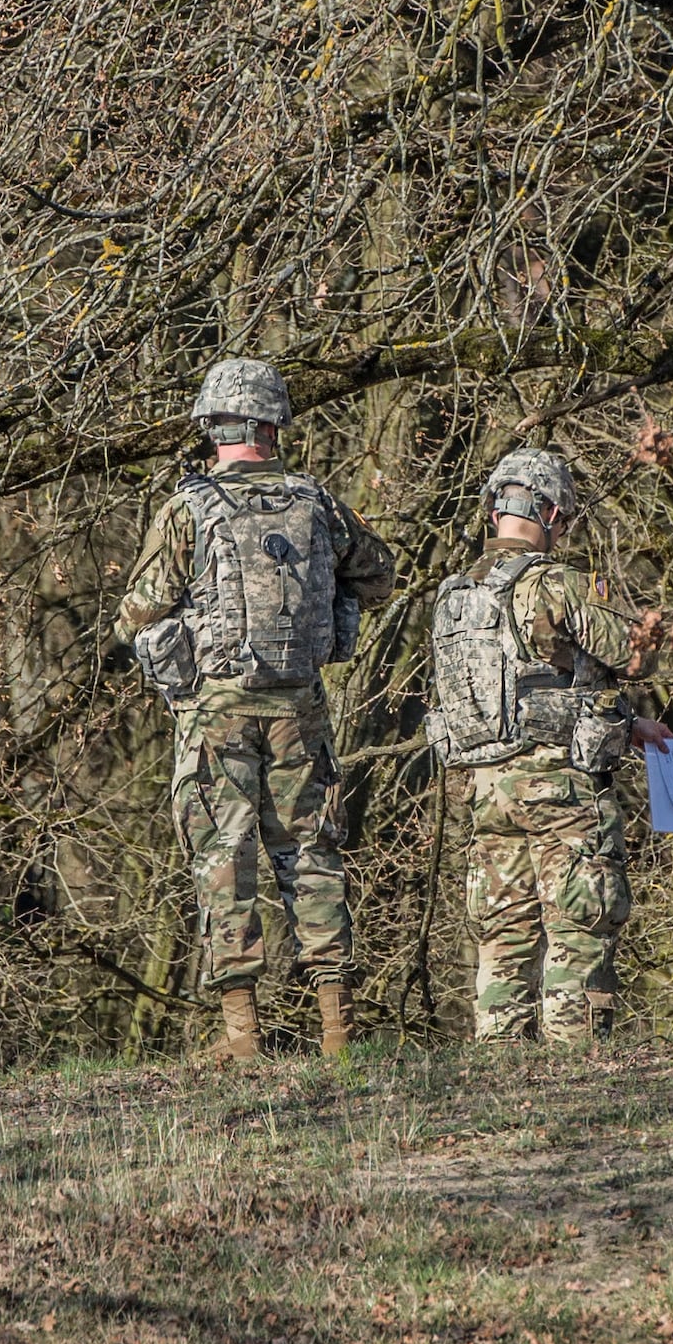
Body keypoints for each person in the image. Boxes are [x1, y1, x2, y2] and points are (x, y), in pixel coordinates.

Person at [115, 357, 399, 1061]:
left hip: (216, 713)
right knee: (311, 854)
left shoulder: (187, 509)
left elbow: (137, 612)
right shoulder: (317, 502)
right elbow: (380, 575)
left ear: (212, 425)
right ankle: (338, 1028)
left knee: (224, 859)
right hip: (299, 709)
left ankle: (242, 1035)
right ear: (274, 425)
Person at [423, 444, 673, 1047]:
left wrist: (626, 721)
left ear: (493, 510)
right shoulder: (557, 585)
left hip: (485, 788)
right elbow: (635, 655)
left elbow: (522, 686)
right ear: (554, 516)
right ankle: (576, 1068)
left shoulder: (455, 596)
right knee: (580, 921)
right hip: (559, 786)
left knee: (503, 932)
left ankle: (503, 1074)